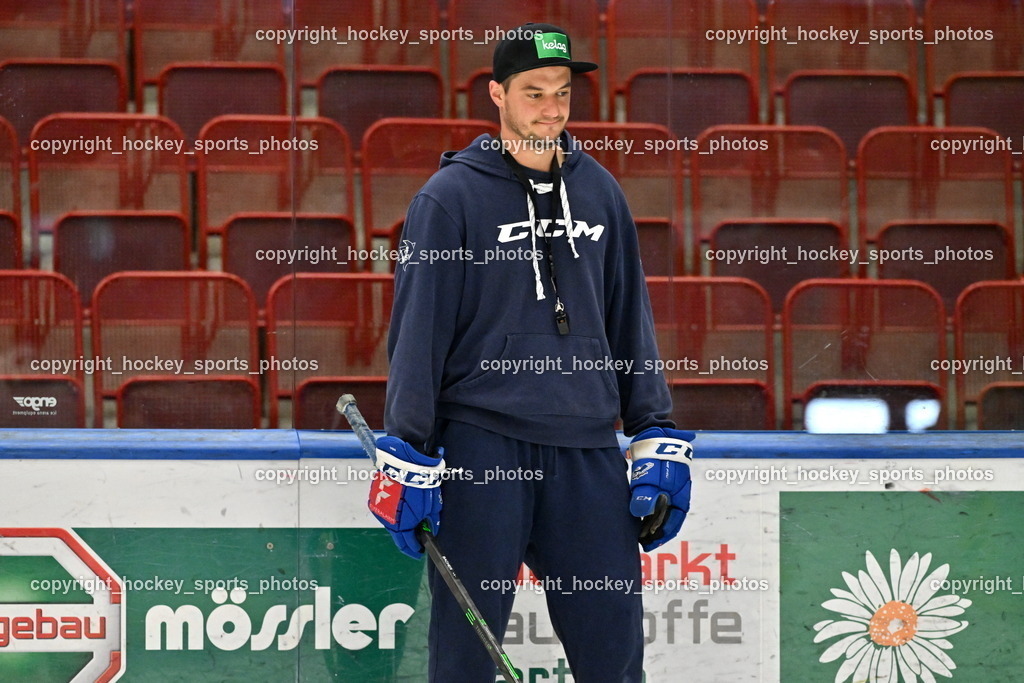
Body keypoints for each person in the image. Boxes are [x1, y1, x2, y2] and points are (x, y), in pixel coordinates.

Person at [368, 22, 695, 681]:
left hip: (586, 453)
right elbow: (418, 334)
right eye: (534, 92)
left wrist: (653, 429)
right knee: (465, 656)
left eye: (562, 93)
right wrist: (408, 448)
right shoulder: (449, 199)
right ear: (498, 94)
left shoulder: (601, 192)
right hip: (482, 450)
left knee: (614, 652)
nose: (551, 108)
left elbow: (631, 319)